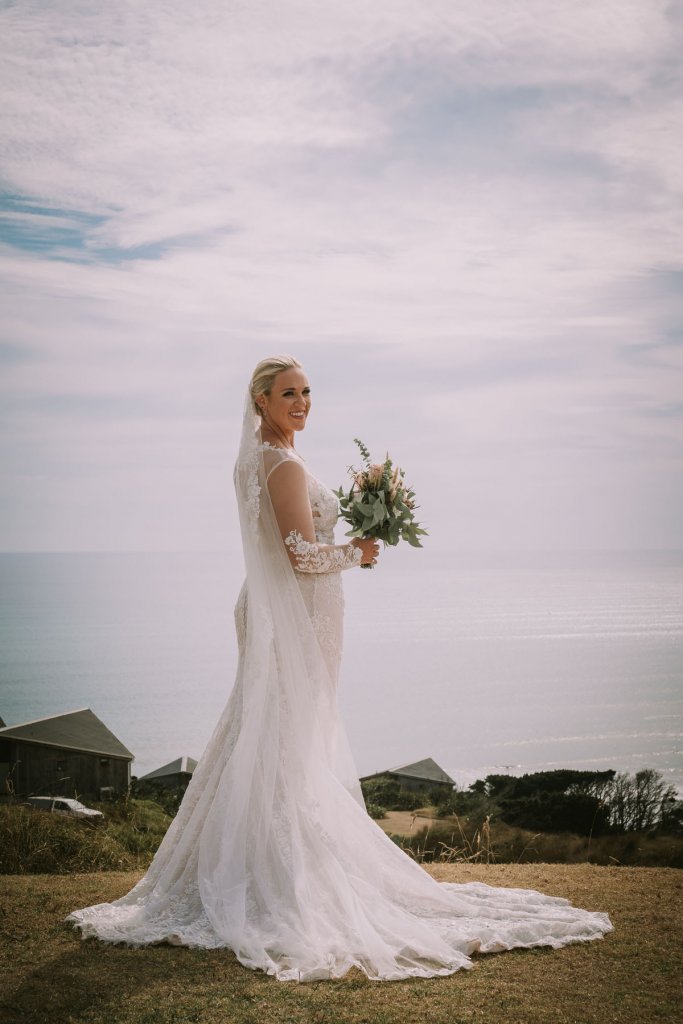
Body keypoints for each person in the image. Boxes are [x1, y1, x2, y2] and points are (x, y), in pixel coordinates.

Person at [65, 355, 612, 981]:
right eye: (287, 394)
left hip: (273, 611)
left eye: (306, 392)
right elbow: (300, 555)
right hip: (298, 616)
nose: (300, 402)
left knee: (264, 731)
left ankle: (247, 859)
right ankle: (279, 874)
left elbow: (280, 545)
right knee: (287, 737)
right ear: (261, 402)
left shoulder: (251, 461)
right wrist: (361, 549)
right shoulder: (285, 463)